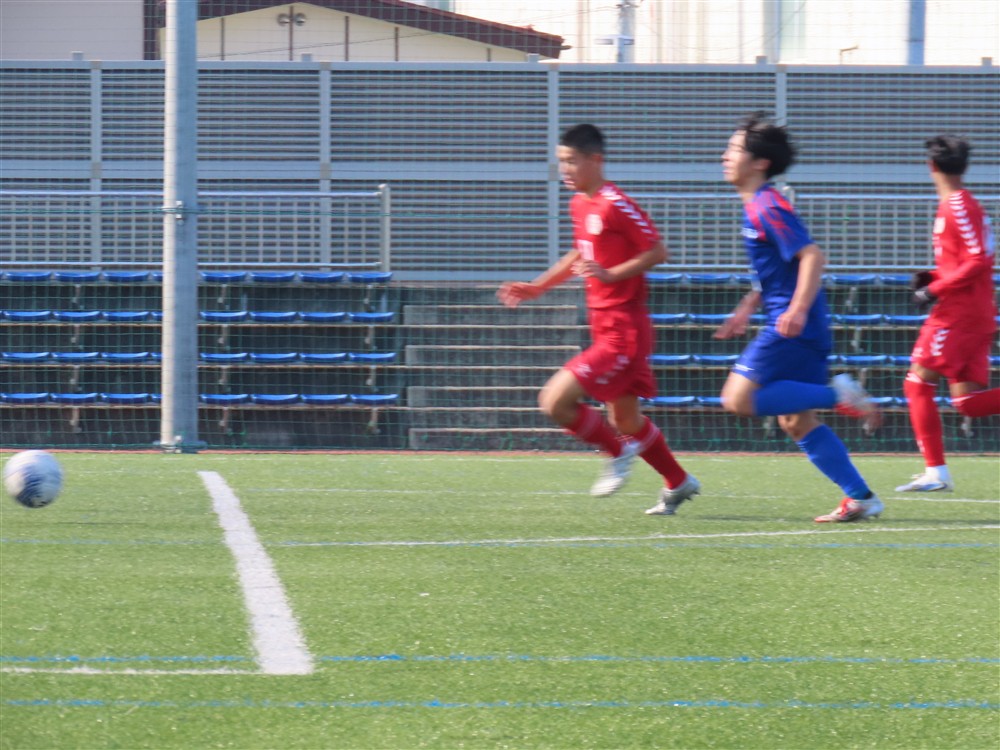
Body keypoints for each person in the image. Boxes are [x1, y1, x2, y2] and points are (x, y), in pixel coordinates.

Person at [498, 123, 699, 516]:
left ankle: (617, 454)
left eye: (572, 161)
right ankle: (678, 481)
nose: (565, 169)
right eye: (561, 161)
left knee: (555, 401)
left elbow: (658, 251)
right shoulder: (580, 203)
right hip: (604, 326)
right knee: (626, 419)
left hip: (623, 331)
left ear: (596, 160)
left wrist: (610, 274)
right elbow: (580, 252)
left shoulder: (615, 203)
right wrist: (539, 286)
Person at [713, 113, 884, 523]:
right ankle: (861, 498)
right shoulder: (758, 205)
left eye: (734, 149)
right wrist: (749, 304)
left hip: (793, 325)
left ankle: (838, 394)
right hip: (800, 322)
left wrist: (796, 309)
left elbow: (811, 256)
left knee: (736, 399)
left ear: (760, 162)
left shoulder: (767, 206)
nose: (725, 156)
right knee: (795, 421)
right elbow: (779, 267)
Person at [897, 135, 998, 492]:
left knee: (917, 382)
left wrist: (934, 289)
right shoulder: (959, 205)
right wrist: (934, 275)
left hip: (959, 313)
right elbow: (968, 259)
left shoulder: (957, 205)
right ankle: (936, 471)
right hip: (971, 311)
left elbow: (979, 259)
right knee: (967, 402)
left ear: (931, 166)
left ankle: (936, 472)